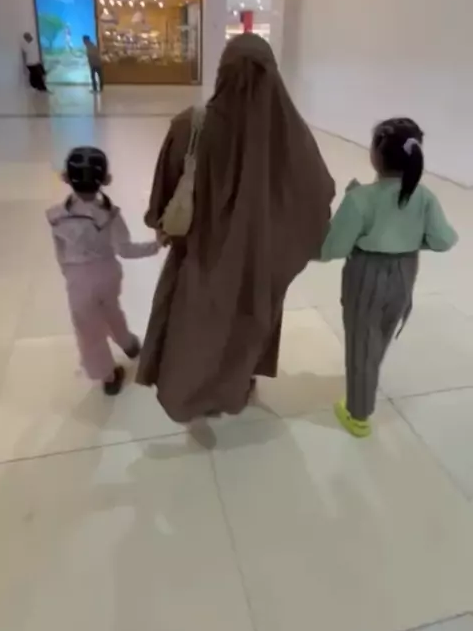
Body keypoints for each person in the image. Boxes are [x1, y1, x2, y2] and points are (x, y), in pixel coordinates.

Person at [137, 33, 335, 422]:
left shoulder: (190, 126)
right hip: (259, 261)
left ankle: (193, 395)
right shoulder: (289, 135)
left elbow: (164, 194)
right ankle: (237, 386)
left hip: (201, 255)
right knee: (246, 325)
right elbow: (316, 194)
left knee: (195, 326)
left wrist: (163, 224)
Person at [321, 117, 458, 438]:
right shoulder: (424, 196)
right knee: (382, 331)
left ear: (376, 154)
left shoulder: (360, 198)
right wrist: (410, 242)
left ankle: (357, 414)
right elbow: (444, 240)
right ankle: (368, 379)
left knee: (361, 341)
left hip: (366, 274)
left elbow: (334, 248)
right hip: (405, 273)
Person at [47, 147, 161, 396]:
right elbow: (126, 250)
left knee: (88, 330)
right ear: (106, 180)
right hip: (108, 275)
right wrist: (156, 245)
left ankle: (107, 375)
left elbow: (60, 253)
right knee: (110, 308)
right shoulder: (110, 215)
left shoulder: (57, 217)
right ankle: (127, 343)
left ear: (65, 177)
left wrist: (68, 273)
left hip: (78, 281)